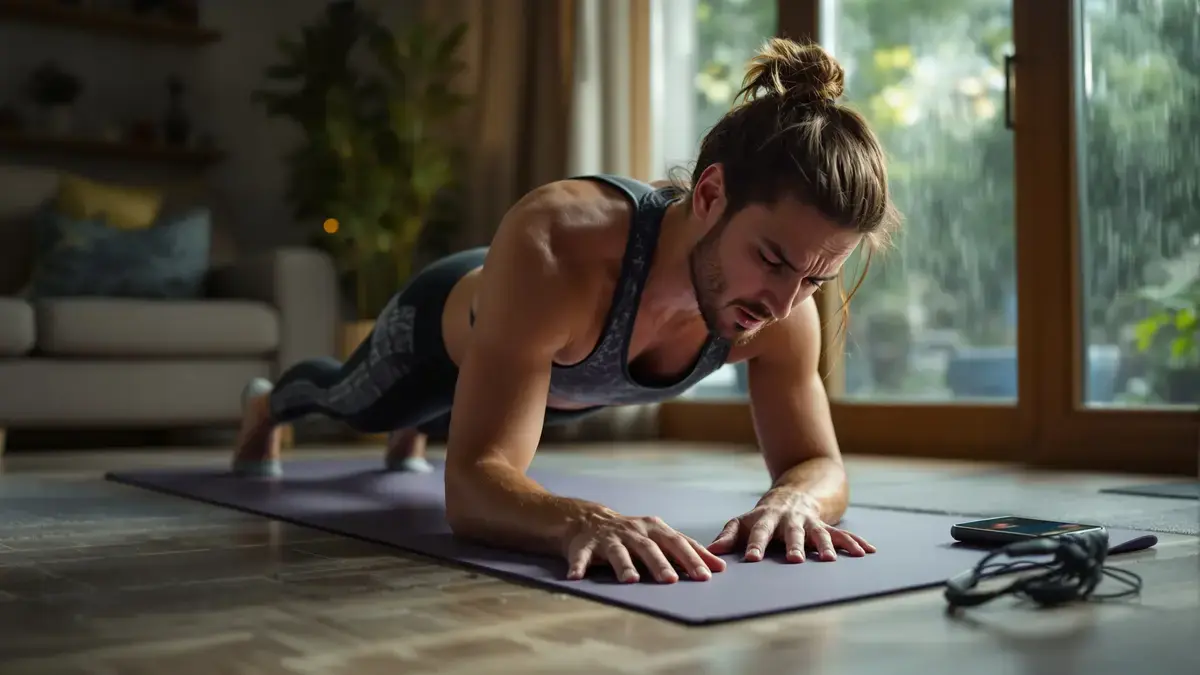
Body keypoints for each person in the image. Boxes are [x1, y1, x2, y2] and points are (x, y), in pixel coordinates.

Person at [232, 37, 902, 585]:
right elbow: (472, 486)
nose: (784, 303)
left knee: (479, 409)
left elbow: (820, 463)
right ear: (709, 195)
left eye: (817, 278)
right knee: (351, 401)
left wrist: (794, 498)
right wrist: (583, 519)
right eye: (773, 259)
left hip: (546, 376)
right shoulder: (557, 240)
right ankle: (267, 405)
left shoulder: (783, 308)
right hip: (442, 337)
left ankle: (419, 429)